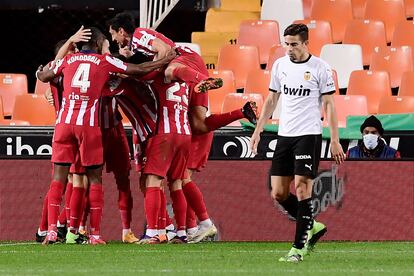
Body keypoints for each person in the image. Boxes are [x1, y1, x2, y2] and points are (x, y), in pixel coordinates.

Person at [36, 27, 176, 245]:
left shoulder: (68, 60)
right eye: (107, 43)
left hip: (64, 124)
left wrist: (38, 73)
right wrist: (165, 60)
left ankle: (51, 230)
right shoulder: (104, 62)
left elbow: (44, 75)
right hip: (90, 127)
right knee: (93, 179)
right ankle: (94, 234)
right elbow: (138, 70)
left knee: (59, 179)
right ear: (100, 44)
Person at [250, 23, 345, 262]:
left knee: (303, 187)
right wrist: (258, 129)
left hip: (309, 135)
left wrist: (334, 139)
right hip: (285, 135)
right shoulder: (280, 65)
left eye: (294, 45)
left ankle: (298, 248)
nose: (289, 49)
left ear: (305, 43)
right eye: (286, 44)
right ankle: (311, 225)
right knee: (279, 193)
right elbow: (272, 98)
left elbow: (330, 105)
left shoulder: (321, 68)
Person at [106, 12, 222, 92]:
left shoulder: (138, 35)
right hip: (188, 71)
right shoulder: (135, 45)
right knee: (198, 124)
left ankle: (206, 81)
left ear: (121, 31)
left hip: (185, 58)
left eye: (112, 34)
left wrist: (157, 71)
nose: (113, 39)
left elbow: (164, 49)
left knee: (168, 72)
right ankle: (204, 82)